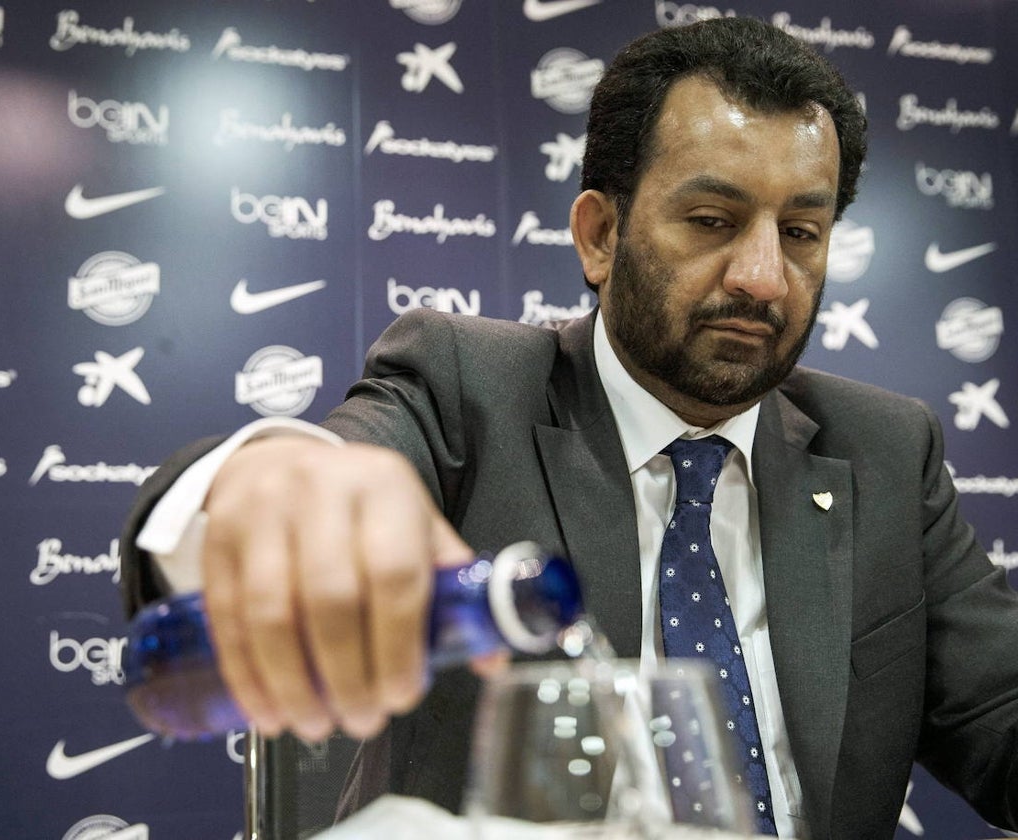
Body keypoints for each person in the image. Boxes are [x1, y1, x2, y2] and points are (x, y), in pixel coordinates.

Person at [121, 17, 1018, 839]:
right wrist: (277, 477)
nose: (763, 276)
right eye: (713, 221)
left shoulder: (886, 449)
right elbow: (321, 475)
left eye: (801, 231)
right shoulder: (468, 386)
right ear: (599, 234)